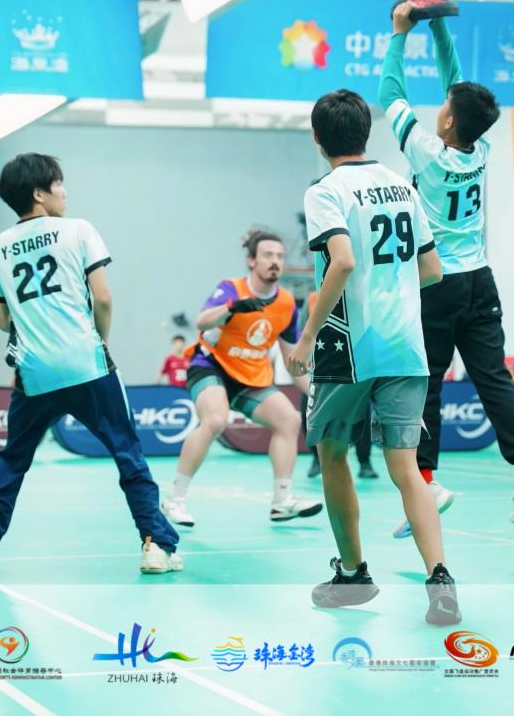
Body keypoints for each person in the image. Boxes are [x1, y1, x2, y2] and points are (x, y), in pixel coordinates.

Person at [380, 0, 514, 538]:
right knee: (493, 378)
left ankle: (426, 482)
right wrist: (438, 29)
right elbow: (455, 83)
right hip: (481, 280)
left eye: (445, 106)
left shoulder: (426, 152)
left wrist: (400, 32)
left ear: (450, 118)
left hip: (436, 282)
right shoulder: (479, 149)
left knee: (426, 383)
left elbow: (390, 93)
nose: (440, 105)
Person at [286, 88, 459, 625]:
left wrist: (307, 336)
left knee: (333, 452)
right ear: (365, 132)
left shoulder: (325, 191)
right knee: (406, 468)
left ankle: (354, 574)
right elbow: (432, 271)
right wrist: (394, 294)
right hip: (406, 344)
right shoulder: (403, 187)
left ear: (318, 138)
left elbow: (341, 261)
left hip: (349, 345)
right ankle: (441, 581)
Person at [0, 153, 180, 577]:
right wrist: (100, 340)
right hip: (87, 363)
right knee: (127, 453)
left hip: (34, 373)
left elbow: (3, 319)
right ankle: (155, 544)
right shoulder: (79, 229)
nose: (65, 192)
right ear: (38, 194)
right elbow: (104, 297)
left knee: (13, 460)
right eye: (58, 184)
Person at [160, 229, 323, 528]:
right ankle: (175, 498)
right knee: (215, 420)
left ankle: (282, 501)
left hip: (250, 377)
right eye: (267, 255)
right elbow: (202, 321)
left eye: (280, 256)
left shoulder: (286, 303)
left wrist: (317, 394)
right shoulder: (231, 288)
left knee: (289, 420)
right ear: (252, 261)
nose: (275, 262)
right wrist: (231, 308)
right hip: (211, 366)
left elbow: (293, 362)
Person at [304, 290, 377, 480]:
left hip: (354, 363)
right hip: (319, 365)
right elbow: (300, 332)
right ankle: (316, 459)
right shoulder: (312, 298)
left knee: (362, 411)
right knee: (309, 407)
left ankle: (365, 461)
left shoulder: (359, 293)